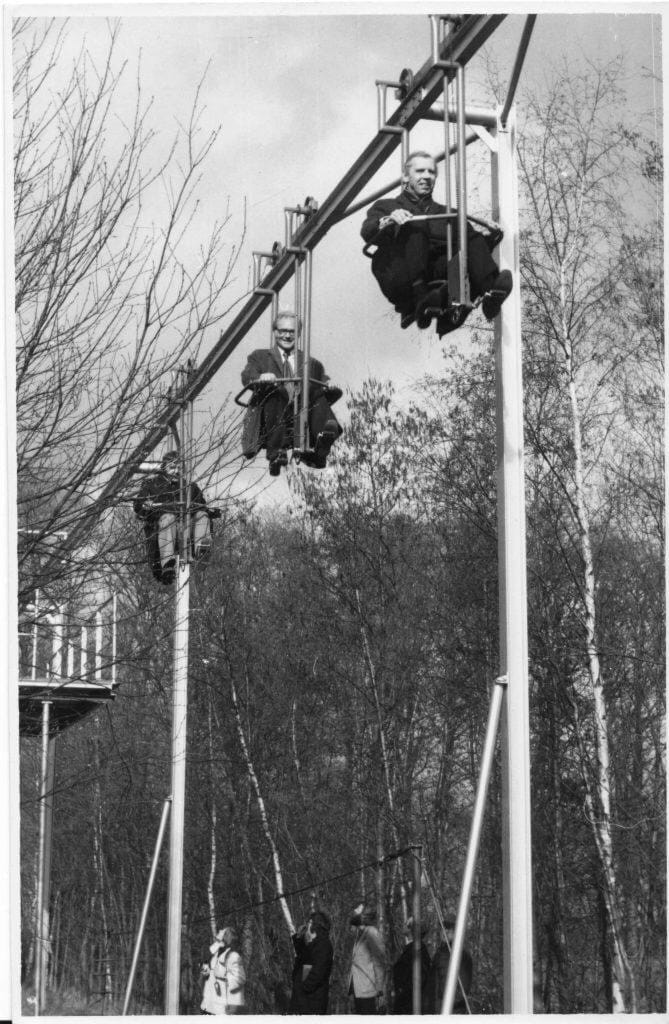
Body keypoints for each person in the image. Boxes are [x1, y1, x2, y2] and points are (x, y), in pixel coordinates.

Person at [361, 151, 512, 333]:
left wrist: (491, 236)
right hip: (401, 273)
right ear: (406, 177)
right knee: (416, 224)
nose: (426, 177)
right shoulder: (387, 206)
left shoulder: (446, 213)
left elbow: (473, 246)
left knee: (468, 235)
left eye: (431, 172)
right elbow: (368, 231)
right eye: (420, 171)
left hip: (435, 271)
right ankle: (419, 297)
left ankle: (490, 293)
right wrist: (388, 220)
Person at [240, 310, 342, 477]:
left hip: (301, 410)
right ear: (275, 332)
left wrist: (328, 386)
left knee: (315, 390)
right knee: (275, 392)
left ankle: (322, 441)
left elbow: (323, 379)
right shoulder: (259, 356)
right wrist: (260, 377)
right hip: (273, 410)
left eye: (292, 332)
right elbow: (247, 375)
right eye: (283, 331)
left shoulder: (311, 362)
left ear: (299, 334)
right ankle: (276, 453)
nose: (287, 336)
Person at [133, 450, 220, 585]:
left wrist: (210, 512)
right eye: (173, 467)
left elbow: (201, 506)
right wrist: (145, 505)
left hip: (186, 528)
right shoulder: (151, 485)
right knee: (168, 518)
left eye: (179, 468)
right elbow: (138, 507)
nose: (176, 471)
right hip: (163, 528)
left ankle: (201, 549)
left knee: (201, 515)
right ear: (164, 467)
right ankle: (167, 562)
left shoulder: (190, 487)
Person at [421, 920, 472, 1015]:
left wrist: (443, 1008)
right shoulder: (441, 953)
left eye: (449, 928)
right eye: (443, 928)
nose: (445, 931)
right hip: (434, 1012)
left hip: (450, 1013)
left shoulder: (462, 956)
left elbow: (461, 990)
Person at [289, 910, 334, 1015]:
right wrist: (299, 938)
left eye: (309, 923)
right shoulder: (314, 943)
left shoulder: (323, 945)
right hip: (305, 999)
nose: (307, 926)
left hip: (312, 1000)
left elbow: (318, 970)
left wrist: (304, 987)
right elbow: (303, 957)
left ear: (315, 926)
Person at [348, 901, 386, 1014]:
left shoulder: (372, 933)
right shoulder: (360, 934)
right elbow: (351, 928)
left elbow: (379, 962)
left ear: (364, 915)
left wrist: (380, 989)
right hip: (358, 989)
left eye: (358, 910)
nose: (354, 912)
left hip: (368, 990)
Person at [200, 927, 246, 1015]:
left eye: (225, 934)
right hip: (207, 1003)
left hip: (220, 1006)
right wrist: (217, 943)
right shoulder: (217, 952)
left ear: (232, 938)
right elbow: (204, 957)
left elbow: (240, 978)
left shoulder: (234, 955)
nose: (222, 935)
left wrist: (233, 1003)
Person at [391, 918, 432, 1014]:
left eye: (406, 924)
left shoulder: (417, 951)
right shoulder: (412, 949)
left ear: (411, 930)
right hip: (406, 1003)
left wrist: (402, 993)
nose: (403, 925)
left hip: (409, 1005)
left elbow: (419, 978)